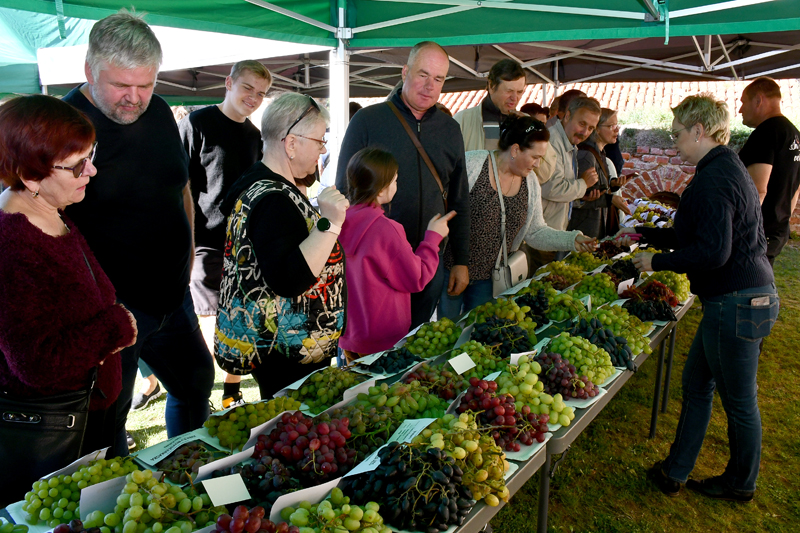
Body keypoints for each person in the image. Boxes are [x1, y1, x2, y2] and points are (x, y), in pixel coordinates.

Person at [63, 11, 215, 457]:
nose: (134, 98)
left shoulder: (162, 111)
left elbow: (180, 185)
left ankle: (184, 470)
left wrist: (186, 257)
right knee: (110, 421)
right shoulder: (62, 127)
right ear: (89, 71)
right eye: (120, 86)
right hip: (111, 312)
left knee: (195, 384)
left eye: (145, 85)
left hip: (173, 295)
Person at [621, 94, 778, 503]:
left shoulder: (714, 178)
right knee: (696, 385)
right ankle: (676, 470)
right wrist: (647, 236)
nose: (674, 143)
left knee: (740, 402)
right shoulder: (725, 167)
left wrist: (656, 261)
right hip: (744, 298)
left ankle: (741, 483)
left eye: (677, 135)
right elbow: (703, 233)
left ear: (699, 130)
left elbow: (713, 251)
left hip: (737, 302)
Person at [0, 95, 137, 498]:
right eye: (78, 164)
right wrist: (116, 327)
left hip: (87, 412)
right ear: (30, 175)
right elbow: (36, 362)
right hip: (52, 431)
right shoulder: (12, 244)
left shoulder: (47, 210)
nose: (91, 170)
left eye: (90, 156)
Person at [216, 93, 348, 400]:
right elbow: (291, 279)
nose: (323, 149)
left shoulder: (258, 182)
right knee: (291, 427)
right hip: (288, 352)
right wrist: (331, 223)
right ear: (291, 144)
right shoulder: (273, 199)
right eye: (319, 140)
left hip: (286, 344)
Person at [335, 41, 470, 328]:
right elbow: (344, 191)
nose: (429, 86)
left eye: (439, 79)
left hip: (428, 263)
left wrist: (461, 260)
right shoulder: (368, 121)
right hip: (375, 268)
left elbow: (459, 199)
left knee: (413, 345)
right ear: (404, 71)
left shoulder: (450, 129)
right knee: (370, 349)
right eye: (423, 74)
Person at [179, 59, 272, 409]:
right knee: (209, 323)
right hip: (204, 243)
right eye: (248, 88)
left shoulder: (255, 136)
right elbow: (180, 184)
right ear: (229, 82)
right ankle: (202, 390)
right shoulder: (195, 123)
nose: (253, 97)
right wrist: (186, 243)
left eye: (261, 93)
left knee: (241, 319)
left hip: (245, 245)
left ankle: (231, 391)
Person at [439, 116, 597, 319]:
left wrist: (572, 240)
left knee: (476, 334)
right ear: (515, 150)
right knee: (446, 330)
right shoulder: (472, 164)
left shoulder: (530, 181)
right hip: (452, 270)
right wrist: (455, 264)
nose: (538, 164)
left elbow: (535, 232)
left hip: (492, 281)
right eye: (535, 157)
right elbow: (443, 212)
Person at [338, 148, 455, 360]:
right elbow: (415, 277)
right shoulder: (385, 229)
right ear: (382, 189)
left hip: (348, 335)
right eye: (394, 180)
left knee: (355, 389)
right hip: (384, 340)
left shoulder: (337, 223)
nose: (396, 185)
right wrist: (433, 238)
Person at [738, 77, 800, 267]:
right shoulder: (793, 133)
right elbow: (795, 187)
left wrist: (742, 229)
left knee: (747, 288)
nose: (740, 109)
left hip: (756, 232)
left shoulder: (766, 133)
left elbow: (758, 189)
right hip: (777, 230)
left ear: (758, 100)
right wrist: (782, 221)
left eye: (743, 102)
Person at [532, 96, 601, 268]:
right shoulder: (552, 142)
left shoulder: (567, 142)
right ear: (568, 116)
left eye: (591, 128)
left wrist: (580, 198)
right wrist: (583, 184)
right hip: (541, 235)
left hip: (552, 233)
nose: (585, 132)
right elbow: (551, 188)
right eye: (582, 124)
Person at [568, 107, 631, 239]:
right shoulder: (586, 155)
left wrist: (611, 186)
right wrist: (610, 199)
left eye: (617, 125)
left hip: (594, 225)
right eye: (611, 126)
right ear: (597, 129)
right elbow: (579, 197)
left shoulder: (600, 153)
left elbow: (596, 188)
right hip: (584, 228)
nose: (617, 129)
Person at [454, 59, 526, 151]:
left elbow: (547, 163)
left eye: (519, 92)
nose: (515, 98)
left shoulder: (529, 124)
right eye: (509, 91)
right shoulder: (462, 121)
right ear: (491, 86)